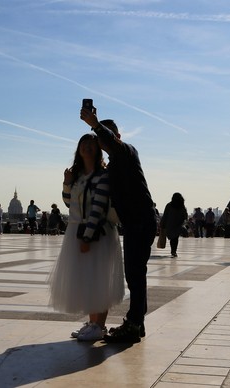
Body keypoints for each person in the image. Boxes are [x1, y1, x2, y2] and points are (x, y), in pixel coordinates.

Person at [81, 107, 157, 344]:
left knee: (135, 273)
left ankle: (134, 323)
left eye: (106, 137)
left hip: (140, 220)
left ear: (116, 137)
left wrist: (94, 124)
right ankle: (136, 323)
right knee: (135, 274)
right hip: (137, 221)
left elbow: (111, 142)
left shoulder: (126, 151)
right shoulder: (115, 163)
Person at [48, 133, 124, 341]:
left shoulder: (103, 176)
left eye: (91, 144)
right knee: (90, 281)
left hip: (95, 232)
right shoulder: (80, 176)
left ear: (97, 150)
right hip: (79, 230)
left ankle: (100, 326)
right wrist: (66, 183)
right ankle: (92, 323)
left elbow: (98, 207)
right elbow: (69, 202)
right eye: (84, 144)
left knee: (100, 279)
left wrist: (87, 237)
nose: (87, 147)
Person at [160, 193, 188, 258]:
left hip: (170, 224)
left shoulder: (169, 205)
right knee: (175, 238)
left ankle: (173, 250)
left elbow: (165, 215)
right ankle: (174, 251)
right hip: (178, 224)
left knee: (172, 238)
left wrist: (162, 224)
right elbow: (185, 216)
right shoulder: (182, 206)